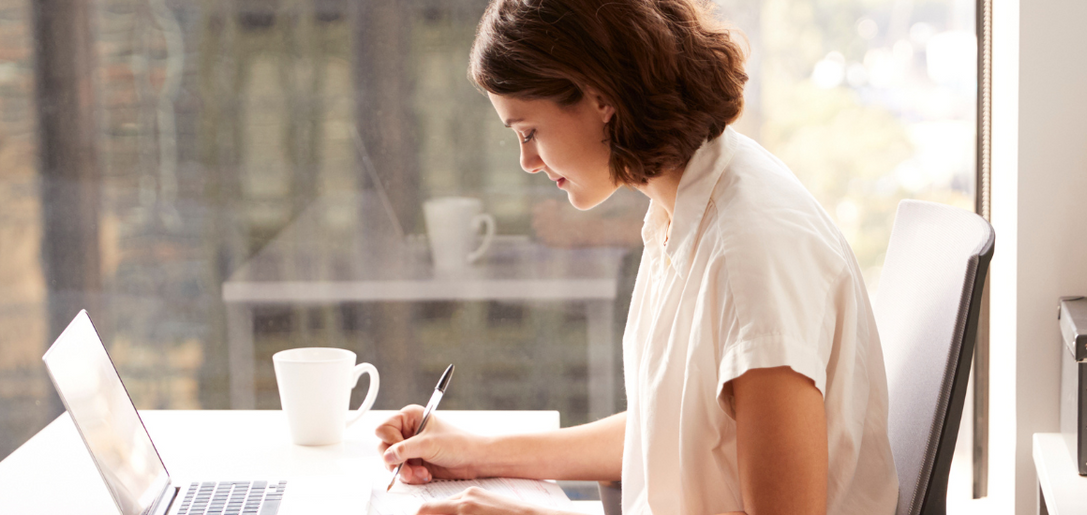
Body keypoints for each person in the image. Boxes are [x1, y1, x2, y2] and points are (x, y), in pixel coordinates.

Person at [374, 0, 896, 513]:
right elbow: (669, 434)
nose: (526, 161)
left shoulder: (751, 255)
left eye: (529, 132)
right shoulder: (685, 206)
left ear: (600, 98)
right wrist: (475, 453)